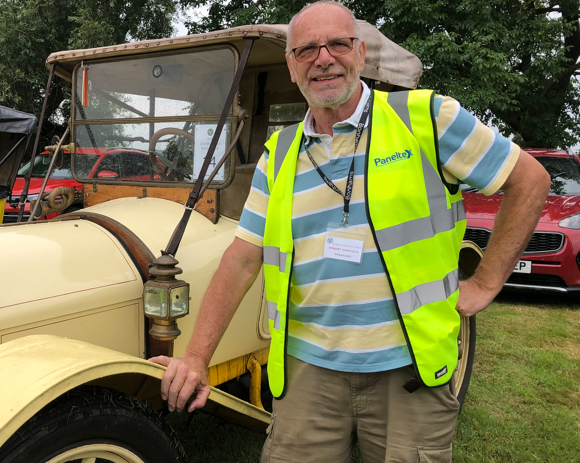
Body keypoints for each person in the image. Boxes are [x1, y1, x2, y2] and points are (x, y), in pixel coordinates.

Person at [150, 1, 551, 462]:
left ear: (360, 53)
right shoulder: (278, 155)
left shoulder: (426, 119)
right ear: (292, 65)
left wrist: (485, 282)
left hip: (409, 372)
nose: (323, 58)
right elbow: (242, 260)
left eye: (337, 44)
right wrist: (197, 358)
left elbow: (530, 180)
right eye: (306, 50)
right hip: (308, 376)